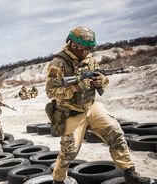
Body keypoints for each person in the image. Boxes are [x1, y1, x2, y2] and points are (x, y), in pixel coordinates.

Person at [45, 26, 155, 184]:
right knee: (69, 151)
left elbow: (101, 76)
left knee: (116, 133)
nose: (87, 52)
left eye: (90, 48)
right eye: (85, 48)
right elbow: (51, 92)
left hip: (91, 106)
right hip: (71, 111)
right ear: (73, 45)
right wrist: (76, 87)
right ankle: (59, 180)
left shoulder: (89, 59)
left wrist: (101, 80)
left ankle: (130, 174)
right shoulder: (58, 63)